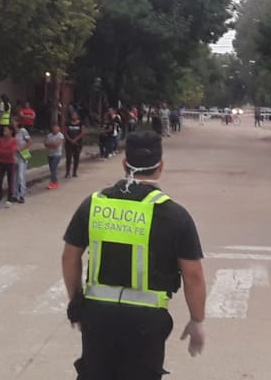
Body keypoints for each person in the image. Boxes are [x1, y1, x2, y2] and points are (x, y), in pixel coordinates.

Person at [61, 131, 207, 378]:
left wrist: (76, 301)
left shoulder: (94, 204)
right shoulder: (174, 214)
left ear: (124, 164)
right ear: (160, 166)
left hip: (98, 317)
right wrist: (197, 321)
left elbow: (69, 257)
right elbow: (193, 274)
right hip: (146, 323)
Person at [0, 125, 18, 209]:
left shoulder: (14, 141)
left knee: (10, 181)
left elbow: (12, 151)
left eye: (6, 130)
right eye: (4, 130)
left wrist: (3, 152)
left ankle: (9, 198)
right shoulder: (1, 140)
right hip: (1, 162)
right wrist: (4, 152)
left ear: (11, 131)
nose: (4, 132)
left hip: (10, 163)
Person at [13, 118, 31, 204]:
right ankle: (15, 194)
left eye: (14, 121)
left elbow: (29, 142)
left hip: (23, 155)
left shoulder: (23, 131)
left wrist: (21, 149)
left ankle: (22, 194)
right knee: (15, 177)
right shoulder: (13, 133)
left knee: (21, 175)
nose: (12, 123)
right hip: (15, 157)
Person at [45, 123, 65, 189]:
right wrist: (52, 144)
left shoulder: (60, 135)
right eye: (54, 127)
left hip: (57, 154)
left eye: (56, 127)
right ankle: (55, 182)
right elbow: (45, 143)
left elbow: (56, 145)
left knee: (53, 168)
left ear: (59, 128)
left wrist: (50, 144)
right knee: (52, 169)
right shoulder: (49, 135)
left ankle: (52, 182)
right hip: (50, 154)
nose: (55, 129)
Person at [65, 113, 84, 179]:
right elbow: (65, 132)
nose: (73, 117)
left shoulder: (81, 123)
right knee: (68, 158)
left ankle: (74, 172)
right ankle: (67, 172)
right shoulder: (68, 123)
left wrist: (75, 140)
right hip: (69, 143)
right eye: (72, 115)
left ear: (77, 116)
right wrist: (69, 139)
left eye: (74, 115)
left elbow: (82, 133)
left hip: (78, 143)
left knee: (76, 157)